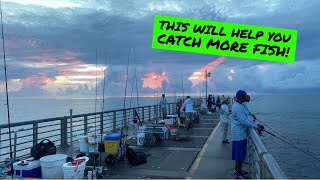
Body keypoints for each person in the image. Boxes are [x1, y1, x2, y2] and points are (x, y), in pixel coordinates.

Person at [231, 90, 264, 179]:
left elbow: (246, 118)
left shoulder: (239, 106)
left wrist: (255, 125)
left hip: (240, 134)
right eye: (245, 96)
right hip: (239, 134)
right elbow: (243, 121)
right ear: (240, 97)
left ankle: (238, 170)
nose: (246, 98)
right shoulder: (237, 107)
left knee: (240, 154)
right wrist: (256, 127)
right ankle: (238, 174)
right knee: (239, 155)